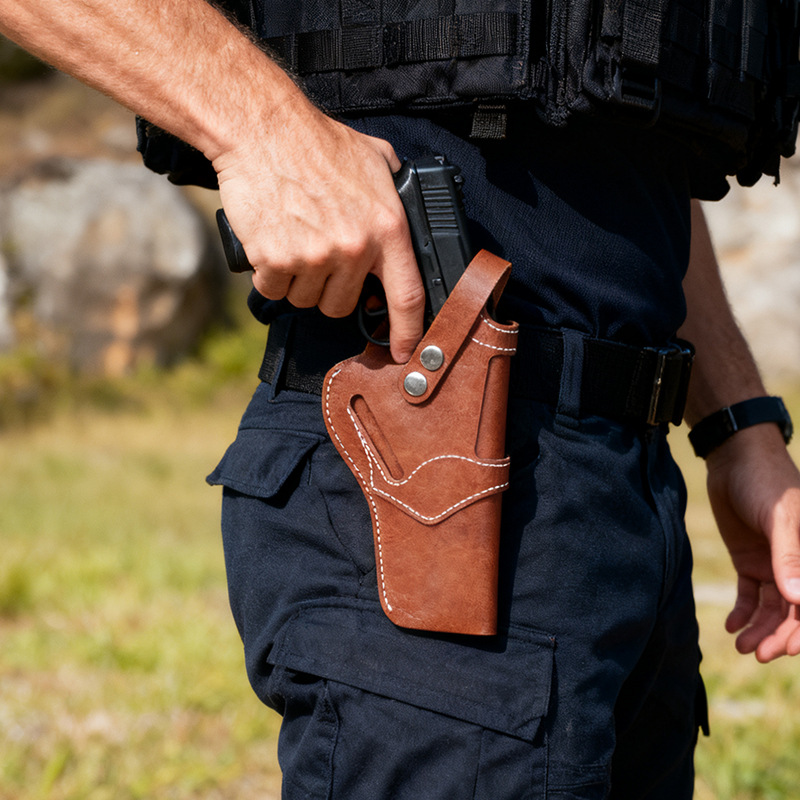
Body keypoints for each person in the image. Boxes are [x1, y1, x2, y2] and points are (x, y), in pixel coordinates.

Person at [3, 2, 800, 796]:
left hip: (623, 493)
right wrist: (263, 129)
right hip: (420, 458)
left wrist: (741, 427)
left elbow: (615, 151)